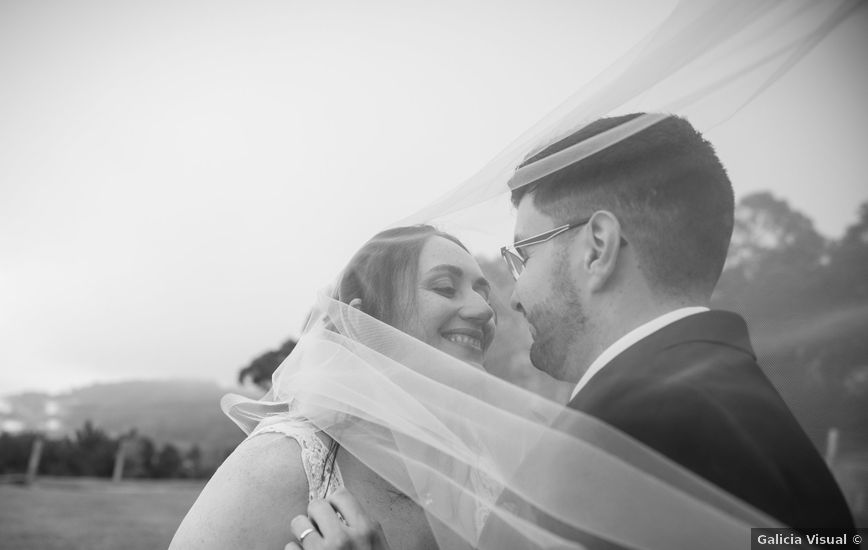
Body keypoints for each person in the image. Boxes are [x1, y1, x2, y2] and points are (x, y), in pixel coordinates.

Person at [286, 114, 856, 550]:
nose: (510, 298)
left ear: (598, 249)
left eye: (523, 257)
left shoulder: (613, 444)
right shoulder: (758, 413)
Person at [168, 225, 497, 550]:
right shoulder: (284, 465)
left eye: (484, 294)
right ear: (360, 323)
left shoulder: (490, 478)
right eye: (444, 287)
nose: (484, 310)